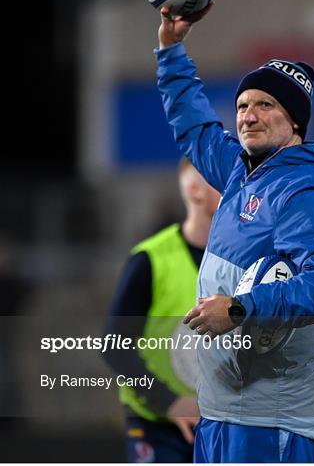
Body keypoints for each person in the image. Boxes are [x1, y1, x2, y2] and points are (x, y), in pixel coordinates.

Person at [154, 4, 314, 463]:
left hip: (271, 421)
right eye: (243, 105)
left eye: (266, 104)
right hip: (223, 412)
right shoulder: (242, 172)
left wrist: (241, 309)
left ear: (295, 121)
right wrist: (171, 48)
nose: (248, 115)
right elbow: (195, 126)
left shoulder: (304, 188)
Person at [102, 157, 220, 463]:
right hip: (157, 425)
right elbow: (115, 347)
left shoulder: (248, 263)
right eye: (221, 177)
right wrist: (168, 402)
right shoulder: (150, 259)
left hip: (224, 425)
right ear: (195, 191)